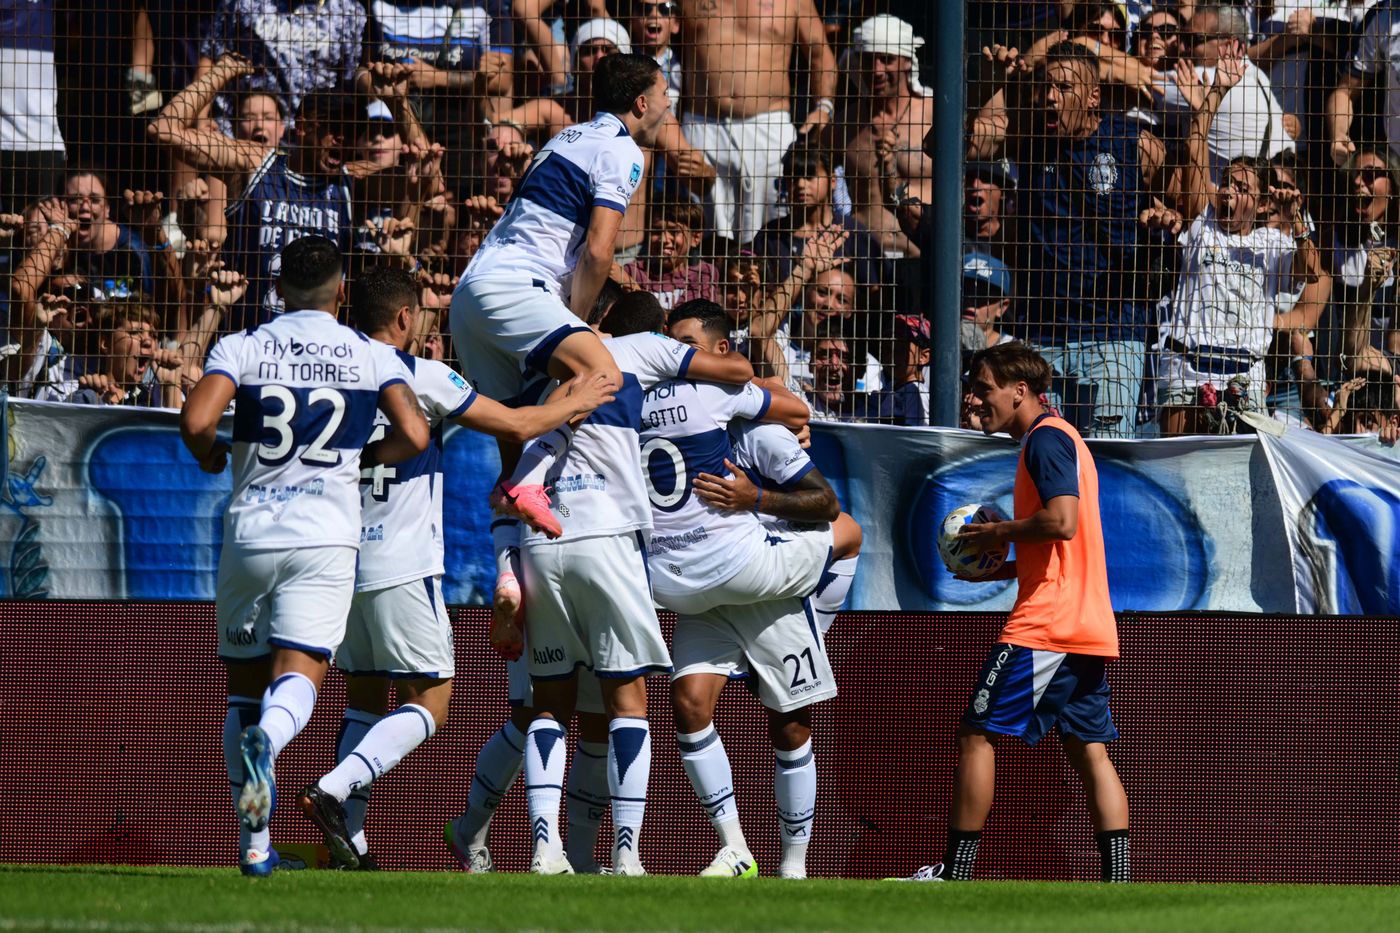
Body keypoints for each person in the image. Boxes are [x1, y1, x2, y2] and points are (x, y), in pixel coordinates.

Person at [294, 264, 613, 869]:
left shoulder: (330, 380)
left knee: (363, 695)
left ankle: (349, 844)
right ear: (406, 318)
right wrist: (582, 393)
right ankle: (333, 791)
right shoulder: (420, 375)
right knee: (431, 703)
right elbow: (518, 424)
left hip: (337, 559)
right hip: (400, 561)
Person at [177, 236, 429, 876]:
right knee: (300, 675)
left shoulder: (245, 346)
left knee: (242, 689)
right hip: (324, 534)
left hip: (251, 533)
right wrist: (366, 459)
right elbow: (415, 434)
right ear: (342, 291)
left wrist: (210, 456)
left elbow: (197, 421)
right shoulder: (371, 353)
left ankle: (256, 847)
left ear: (279, 287)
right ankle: (276, 739)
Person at [500, 290, 757, 875]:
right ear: (659, 329)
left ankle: (545, 848)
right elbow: (737, 369)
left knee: (551, 703)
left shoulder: (550, 364)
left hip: (541, 542)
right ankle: (627, 852)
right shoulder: (644, 350)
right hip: (609, 538)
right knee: (628, 702)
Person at [616, 298, 843, 879]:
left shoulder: (752, 430)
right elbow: (793, 406)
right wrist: (790, 413)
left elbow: (823, 499)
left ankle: (794, 867)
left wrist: (757, 499)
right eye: (672, 343)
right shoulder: (683, 396)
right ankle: (737, 848)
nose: (678, 355)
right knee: (688, 707)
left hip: (751, 575)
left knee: (846, 532)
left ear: (720, 351)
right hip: (703, 580)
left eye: (688, 344)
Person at [901, 342, 1128, 884]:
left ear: (1019, 391)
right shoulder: (1063, 436)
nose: (975, 400)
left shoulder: (1044, 440)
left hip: (1047, 625)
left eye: (983, 389)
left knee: (976, 733)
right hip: (1088, 623)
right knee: (1089, 750)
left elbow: (1062, 523)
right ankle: (1120, 884)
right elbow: (1061, 552)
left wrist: (994, 532)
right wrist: (999, 570)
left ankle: (955, 876)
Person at [449, 53, 668, 533]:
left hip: (469, 297)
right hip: (517, 289)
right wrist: (579, 317)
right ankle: (524, 484)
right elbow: (598, 251)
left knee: (513, 431)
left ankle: (509, 573)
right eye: (664, 95)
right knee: (603, 373)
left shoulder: (566, 137)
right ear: (640, 101)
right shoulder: (623, 149)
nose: (667, 106)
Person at [975, 40, 1165, 438]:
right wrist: (991, 83)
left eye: (1063, 88)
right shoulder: (1028, 139)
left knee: (1107, 454)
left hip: (1115, 332)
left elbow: (1185, 199)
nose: (1050, 97)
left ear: (1093, 96)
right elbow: (967, 143)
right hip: (1045, 334)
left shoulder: (1135, 143)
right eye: (1045, 87)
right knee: (1044, 449)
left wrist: (1168, 214)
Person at [148, 53, 418, 329]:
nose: (342, 137)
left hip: (320, 353)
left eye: (350, 130)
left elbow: (426, 176)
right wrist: (221, 72)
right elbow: (165, 129)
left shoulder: (352, 180)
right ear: (301, 127)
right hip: (251, 342)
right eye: (332, 127)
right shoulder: (255, 164)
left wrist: (399, 103)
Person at [1140, 48, 1317, 435]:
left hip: (1244, 375)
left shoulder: (1273, 242)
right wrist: (1216, 92)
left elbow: (1312, 272)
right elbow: (1195, 144)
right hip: (1187, 369)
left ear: (1260, 202)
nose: (1228, 191)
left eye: (1241, 186)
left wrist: (1298, 220)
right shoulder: (1203, 222)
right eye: (1226, 183)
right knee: (1178, 469)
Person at [677, 0, 837, 243]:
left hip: (769, 128)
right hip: (702, 125)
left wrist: (824, 107)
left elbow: (819, 53)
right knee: (703, 233)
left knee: (773, 231)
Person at [838, 14, 934, 258]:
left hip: (919, 254)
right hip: (862, 260)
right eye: (869, 60)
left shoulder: (935, 114)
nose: (877, 70)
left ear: (906, 61)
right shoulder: (843, 124)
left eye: (886, 59)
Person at [620, 201, 718, 308]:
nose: (663, 239)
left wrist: (631, 286)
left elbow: (688, 320)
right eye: (656, 231)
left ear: (695, 238)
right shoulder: (633, 271)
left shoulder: (703, 273)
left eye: (674, 231)